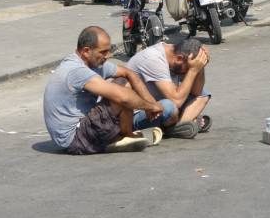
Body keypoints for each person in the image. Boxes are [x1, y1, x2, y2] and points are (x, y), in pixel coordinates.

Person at [43, 26, 164, 155]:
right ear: (86, 51)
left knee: (123, 82)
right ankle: (125, 136)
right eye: (103, 52)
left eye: (109, 51)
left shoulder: (91, 63)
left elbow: (129, 73)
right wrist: (151, 107)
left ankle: (121, 135)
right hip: (75, 139)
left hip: (82, 129)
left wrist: (150, 101)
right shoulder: (76, 70)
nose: (108, 56)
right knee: (122, 95)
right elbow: (123, 98)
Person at [127, 39, 212, 139]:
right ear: (179, 59)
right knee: (169, 107)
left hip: (161, 103)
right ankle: (182, 123)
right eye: (187, 69)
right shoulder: (153, 59)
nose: (186, 74)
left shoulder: (177, 55)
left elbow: (196, 92)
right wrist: (193, 70)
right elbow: (176, 101)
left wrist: (200, 67)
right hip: (137, 115)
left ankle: (178, 127)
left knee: (203, 94)